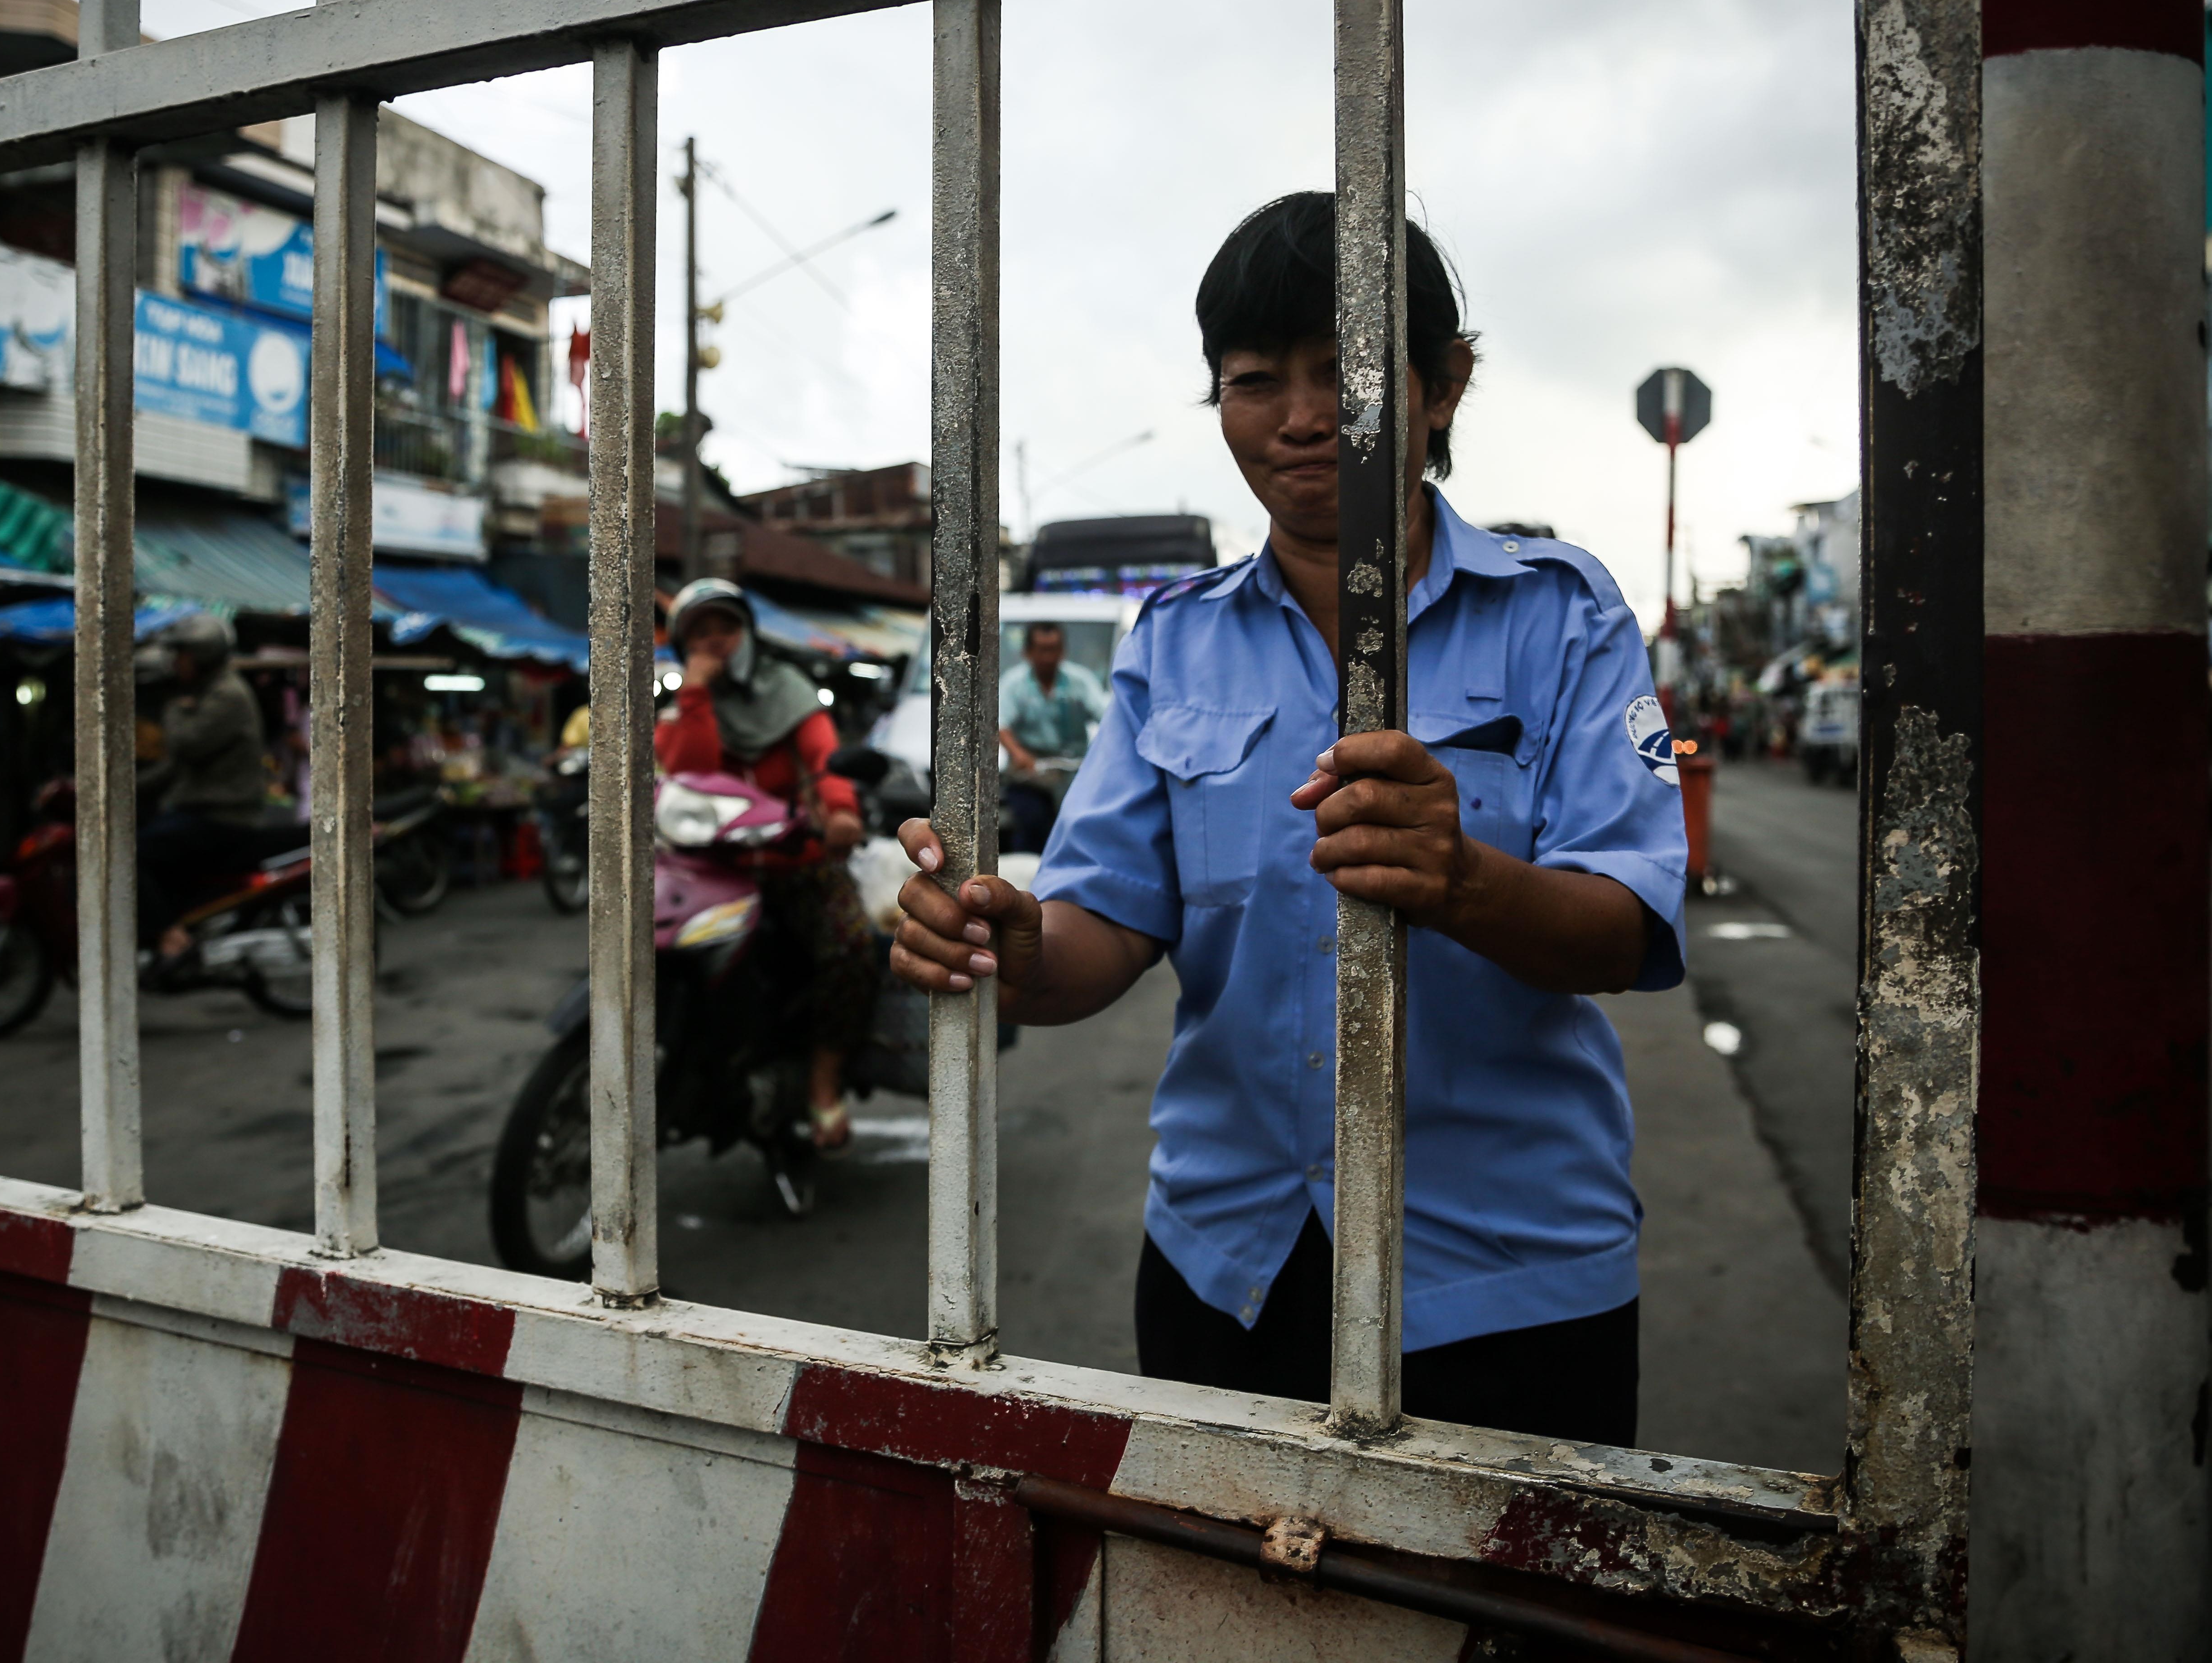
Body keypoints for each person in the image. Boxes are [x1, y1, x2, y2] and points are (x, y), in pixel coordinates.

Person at [886, 193, 1688, 1447]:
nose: (1304, 417)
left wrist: (1465, 879)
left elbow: (1628, 932)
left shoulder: (1564, 614)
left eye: (1347, 372)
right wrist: (1003, 941)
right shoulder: (1177, 639)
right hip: (1229, 1258)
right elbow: (1100, 927)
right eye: (1256, 381)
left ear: (1445, 384)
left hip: (1509, 1275)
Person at [656, 578, 879, 1150]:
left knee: (852, 945)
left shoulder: (790, 691)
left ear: (748, 634)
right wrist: (697, 694)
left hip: (797, 862)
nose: (715, 644)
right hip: (712, 870)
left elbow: (826, 762)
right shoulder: (684, 707)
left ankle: (824, 1081)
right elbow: (690, 773)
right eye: (699, 635)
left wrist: (840, 813)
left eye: (725, 630)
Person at [136, 613, 275, 961]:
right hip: (197, 812)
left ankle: (170, 935)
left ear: (201, 656)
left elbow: (186, 745)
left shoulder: (226, 695)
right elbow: (174, 769)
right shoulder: (206, 694)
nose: (174, 663)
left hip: (223, 818)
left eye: (181, 655)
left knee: (130, 856)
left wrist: (173, 706)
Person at [997, 621, 1108, 854]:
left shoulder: (1081, 681)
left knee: (1082, 828)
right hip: (1031, 774)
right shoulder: (1014, 684)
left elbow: (1105, 717)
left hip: (1072, 772)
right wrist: (1019, 755)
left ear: (1063, 651)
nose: (1049, 657)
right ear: (1028, 653)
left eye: (1054, 649)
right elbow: (1001, 724)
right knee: (1032, 824)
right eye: (1042, 650)